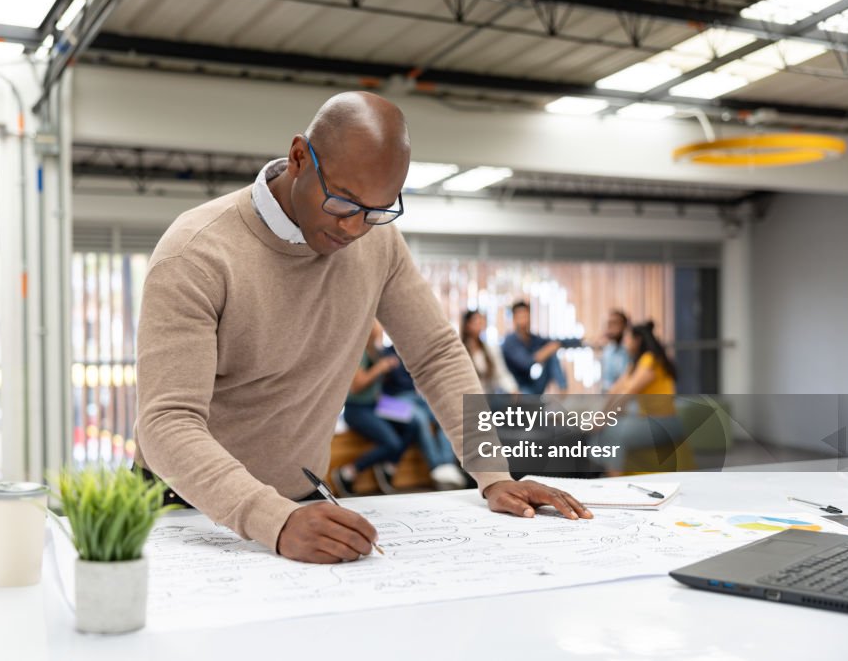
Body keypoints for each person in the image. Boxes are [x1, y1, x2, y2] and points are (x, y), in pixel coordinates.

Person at [134, 91, 592, 565]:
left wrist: (494, 473)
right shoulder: (196, 253)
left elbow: (435, 353)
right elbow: (167, 423)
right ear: (298, 158)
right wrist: (272, 519)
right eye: (342, 203)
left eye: (377, 211)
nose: (354, 229)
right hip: (181, 510)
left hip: (300, 505)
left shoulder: (379, 242)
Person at [333, 322, 420, 496]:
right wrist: (380, 368)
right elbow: (356, 386)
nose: (381, 328)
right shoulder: (359, 353)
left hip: (376, 404)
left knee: (414, 421)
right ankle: (348, 472)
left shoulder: (377, 352)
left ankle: (389, 466)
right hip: (357, 408)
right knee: (392, 442)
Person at [596, 320, 682, 474]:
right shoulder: (634, 364)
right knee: (601, 433)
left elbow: (628, 393)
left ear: (637, 340)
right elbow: (614, 391)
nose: (624, 343)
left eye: (627, 339)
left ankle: (613, 481)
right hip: (647, 419)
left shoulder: (650, 360)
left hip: (663, 423)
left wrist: (604, 419)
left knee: (616, 433)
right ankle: (603, 473)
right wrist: (600, 416)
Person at [380, 343, 468, 491]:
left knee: (444, 413)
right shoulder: (385, 353)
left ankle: (447, 464)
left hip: (416, 397)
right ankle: (437, 467)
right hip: (390, 401)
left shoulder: (415, 351)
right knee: (420, 418)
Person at [501, 301, 581, 395]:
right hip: (517, 389)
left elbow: (557, 342)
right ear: (514, 319)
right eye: (520, 317)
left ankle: (563, 390)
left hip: (534, 385)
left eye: (525, 316)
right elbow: (526, 363)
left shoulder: (533, 338)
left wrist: (581, 341)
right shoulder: (510, 341)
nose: (524, 320)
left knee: (552, 352)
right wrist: (547, 350)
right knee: (550, 349)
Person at [461, 310, 517, 394]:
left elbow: (501, 373)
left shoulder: (490, 348)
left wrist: (513, 389)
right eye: (476, 321)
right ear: (467, 325)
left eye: (481, 321)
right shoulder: (461, 350)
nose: (480, 324)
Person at [599, 309, 630, 393]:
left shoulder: (630, 351)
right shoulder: (608, 350)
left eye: (614, 323)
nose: (609, 326)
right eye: (607, 323)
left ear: (624, 326)